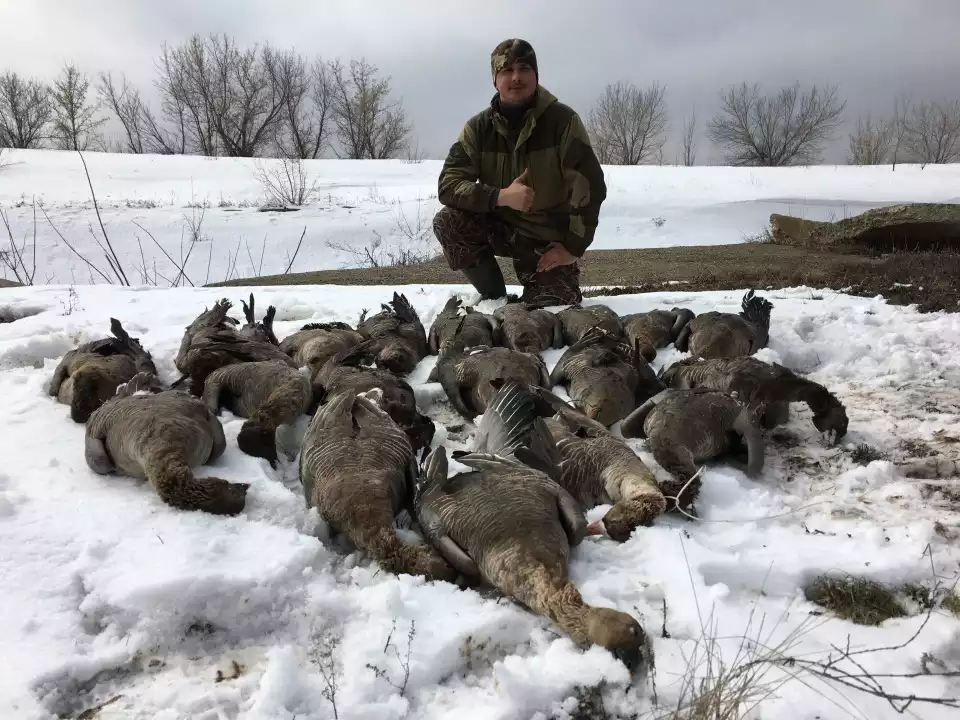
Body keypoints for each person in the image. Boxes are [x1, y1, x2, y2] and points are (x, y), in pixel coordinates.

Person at [432, 38, 607, 308]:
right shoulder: (477, 128)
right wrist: (500, 196)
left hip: (546, 238)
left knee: (554, 310)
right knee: (448, 221)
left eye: (524, 68)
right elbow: (448, 185)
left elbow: (590, 186)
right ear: (495, 79)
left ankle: (542, 288)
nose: (516, 77)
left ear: (536, 75)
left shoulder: (563, 122)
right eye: (506, 70)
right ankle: (494, 298)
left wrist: (573, 247)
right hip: (498, 225)